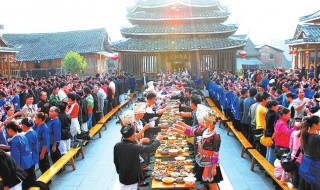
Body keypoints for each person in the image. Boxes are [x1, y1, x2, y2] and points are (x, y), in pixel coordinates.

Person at [172, 105, 222, 190]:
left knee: (212, 183)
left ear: (209, 122)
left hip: (209, 162)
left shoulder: (216, 135)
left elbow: (216, 153)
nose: (201, 123)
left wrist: (214, 168)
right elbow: (191, 132)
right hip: (202, 158)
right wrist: (178, 128)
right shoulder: (205, 130)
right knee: (205, 182)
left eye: (203, 121)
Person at [114, 124, 162, 190]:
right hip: (131, 176)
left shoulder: (117, 145)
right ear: (132, 135)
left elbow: (115, 161)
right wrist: (157, 140)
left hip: (122, 174)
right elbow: (150, 148)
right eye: (134, 133)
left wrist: (119, 171)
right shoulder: (133, 147)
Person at [6, 121, 33, 189]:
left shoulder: (14, 140)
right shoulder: (22, 135)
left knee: (24, 185)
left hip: (22, 164)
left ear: (10, 129)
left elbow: (15, 158)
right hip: (28, 161)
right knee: (29, 183)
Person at [298, 116, 320, 190]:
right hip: (314, 167)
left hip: (305, 164)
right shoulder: (316, 138)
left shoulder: (305, 135)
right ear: (315, 124)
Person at [21, 118, 39, 189]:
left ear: (24, 125)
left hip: (29, 158)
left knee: (28, 177)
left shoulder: (27, 136)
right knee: (31, 174)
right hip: (33, 156)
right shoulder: (33, 132)